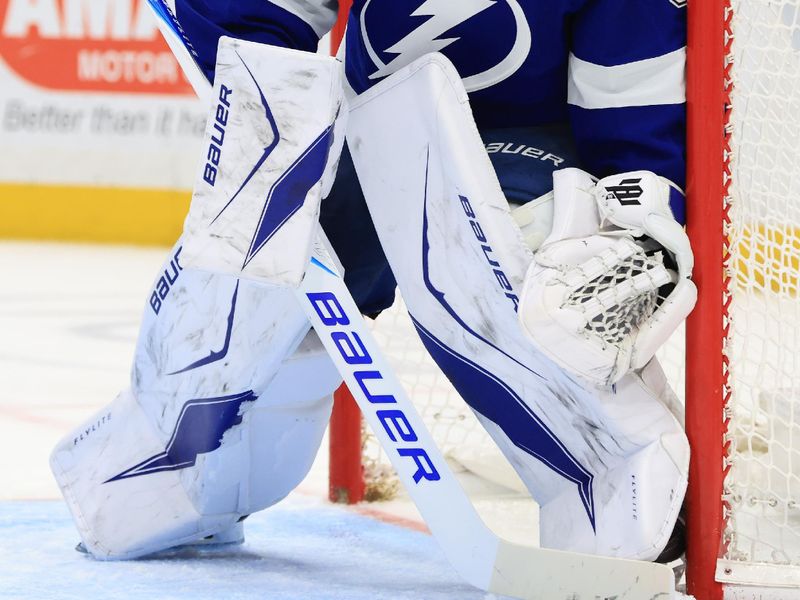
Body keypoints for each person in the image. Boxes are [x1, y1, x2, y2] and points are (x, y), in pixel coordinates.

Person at [51, 0, 691, 566]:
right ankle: (174, 472)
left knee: (506, 263)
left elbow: (632, 104)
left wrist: (634, 217)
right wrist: (267, 105)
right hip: (359, 126)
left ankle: (612, 475)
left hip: (523, 151)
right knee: (245, 277)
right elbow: (260, 16)